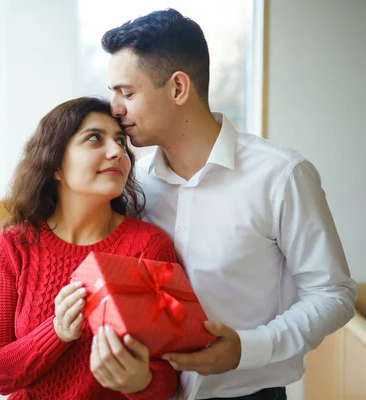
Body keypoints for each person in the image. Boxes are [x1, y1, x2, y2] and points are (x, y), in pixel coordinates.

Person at [96, 8, 358, 400]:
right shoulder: (135, 184)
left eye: (127, 93)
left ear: (178, 87)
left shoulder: (281, 175)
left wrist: (247, 348)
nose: (114, 108)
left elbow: (333, 295)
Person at [0, 97, 179, 399]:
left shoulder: (149, 246)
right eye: (94, 139)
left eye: (121, 141)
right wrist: (56, 332)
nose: (117, 152)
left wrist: (140, 381)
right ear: (55, 165)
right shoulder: (13, 246)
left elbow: (168, 377)